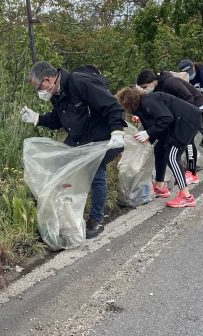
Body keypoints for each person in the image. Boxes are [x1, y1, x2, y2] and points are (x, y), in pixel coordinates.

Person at [21, 61, 126, 238]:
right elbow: (58, 119)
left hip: (101, 137)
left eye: (38, 88)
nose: (38, 92)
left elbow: (113, 106)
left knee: (96, 174)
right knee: (60, 168)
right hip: (78, 138)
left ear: (47, 80)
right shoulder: (57, 92)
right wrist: (38, 118)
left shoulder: (79, 83)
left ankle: (96, 220)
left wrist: (117, 131)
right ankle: (65, 218)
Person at [115, 86, 203, 208]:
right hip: (177, 122)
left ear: (129, 101)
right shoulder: (142, 106)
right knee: (159, 149)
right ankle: (160, 186)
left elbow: (166, 118)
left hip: (186, 121)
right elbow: (153, 125)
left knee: (172, 156)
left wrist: (148, 133)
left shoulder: (149, 101)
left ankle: (186, 196)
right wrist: (147, 138)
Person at [136, 69, 203, 179]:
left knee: (193, 137)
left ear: (153, 81)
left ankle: (196, 169)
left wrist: (189, 118)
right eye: (142, 88)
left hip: (196, 106)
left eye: (145, 87)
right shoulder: (156, 88)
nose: (145, 90)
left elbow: (188, 96)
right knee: (192, 135)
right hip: (183, 111)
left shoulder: (170, 82)